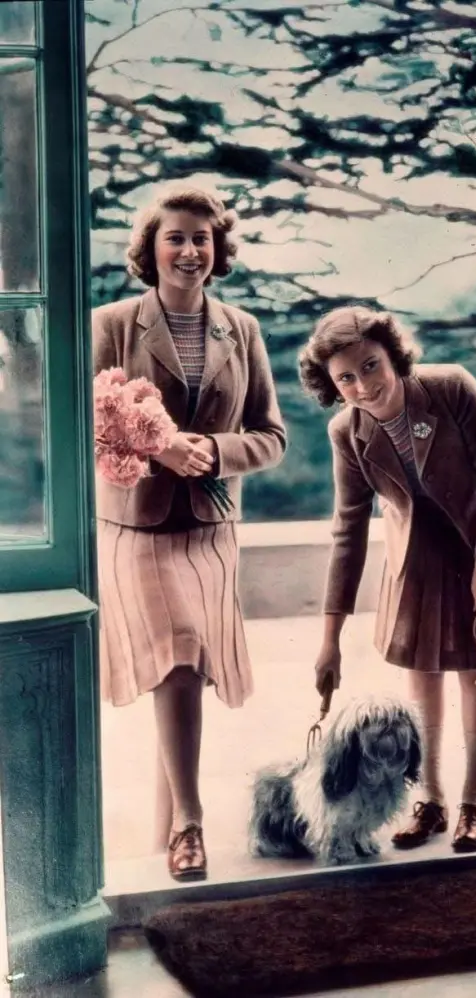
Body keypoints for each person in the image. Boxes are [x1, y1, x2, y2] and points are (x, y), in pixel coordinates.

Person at [299, 305, 476, 853]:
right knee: (422, 676)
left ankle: (474, 803)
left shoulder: (451, 386)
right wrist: (328, 639)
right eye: (346, 377)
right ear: (331, 384)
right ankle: (430, 801)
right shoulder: (346, 431)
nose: (363, 385)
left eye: (371, 366)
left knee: (475, 671)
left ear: (394, 356)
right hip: (415, 557)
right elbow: (348, 530)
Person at [92, 186, 287, 881]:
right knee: (175, 659)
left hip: (210, 531)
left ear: (219, 249)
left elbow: (271, 437)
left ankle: (160, 841)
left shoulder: (244, 330)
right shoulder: (111, 324)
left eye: (203, 238)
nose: (190, 250)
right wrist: (158, 449)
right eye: (175, 236)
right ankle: (190, 825)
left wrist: (213, 449)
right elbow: (84, 421)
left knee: (184, 676)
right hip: (134, 528)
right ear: (150, 248)